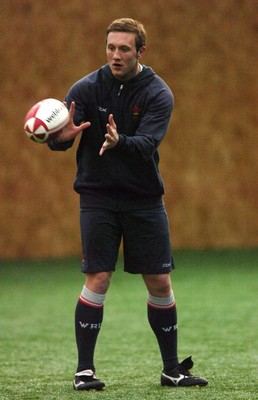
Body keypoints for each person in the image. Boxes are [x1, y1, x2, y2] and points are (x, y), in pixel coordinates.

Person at [48, 18, 208, 391]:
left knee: (160, 281)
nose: (116, 55)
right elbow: (62, 138)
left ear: (140, 51)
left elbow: (146, 145)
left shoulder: (158, 93)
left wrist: (120, 142)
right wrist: (58, 138)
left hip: (143, 200)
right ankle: (83, 372)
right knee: (98, 278)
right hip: (98, 198)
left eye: (124, 48)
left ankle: (172, 370)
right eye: (111, 48)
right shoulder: (86, 88)